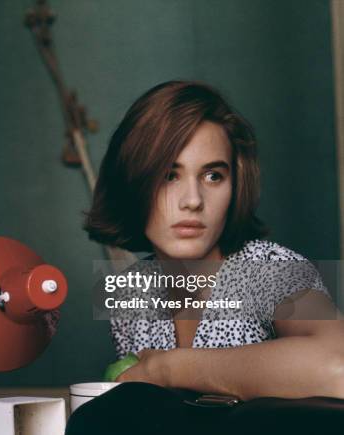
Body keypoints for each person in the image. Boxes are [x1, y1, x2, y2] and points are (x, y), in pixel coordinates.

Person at [70, 80, 344, 433]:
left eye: (213, 175)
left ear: (235, 185)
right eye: (169, 175)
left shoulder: (268, 270)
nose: (193, 200)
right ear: (133, 183)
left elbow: (339, 366)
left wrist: (167, 369)